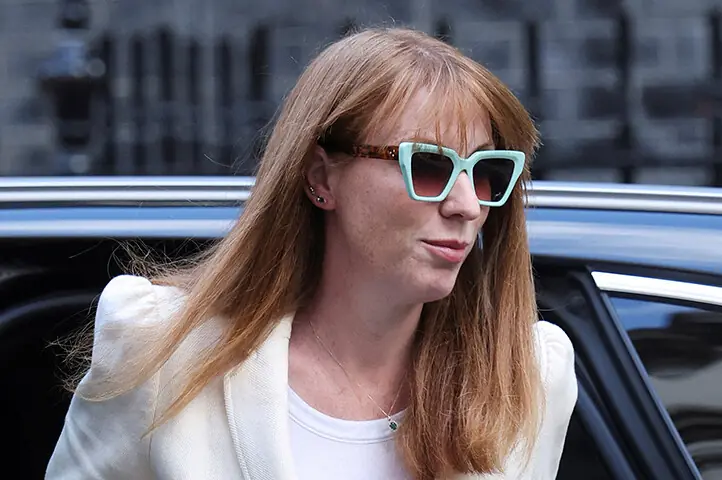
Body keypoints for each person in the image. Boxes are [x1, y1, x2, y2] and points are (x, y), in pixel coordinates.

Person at [45, 27, 577, 480]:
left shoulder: (528, 375)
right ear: (322, 176)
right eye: (429, 166)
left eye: (485, 172)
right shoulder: (163, 352)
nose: (467, 205)